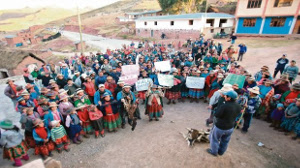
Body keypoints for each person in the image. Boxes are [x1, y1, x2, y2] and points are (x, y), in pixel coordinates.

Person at [207, 90, 241, 156]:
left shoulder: (224, 106)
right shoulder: (238, 106)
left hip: (220, 127)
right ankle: (221, 152)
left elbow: (217, 115)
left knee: (215, 139)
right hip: (230, 127)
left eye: (226, 95)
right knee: (225, 141)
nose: (224, 96)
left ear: (229, 98)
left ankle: (214, 152)